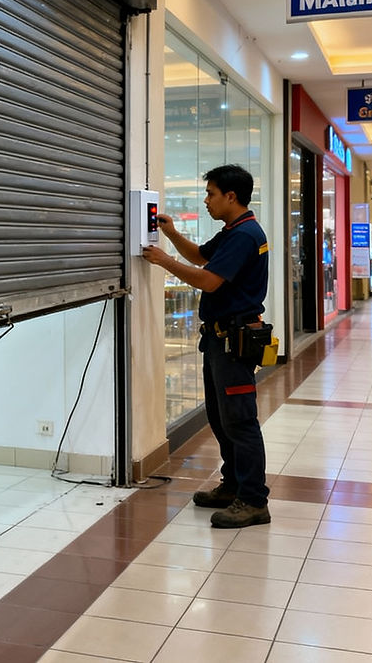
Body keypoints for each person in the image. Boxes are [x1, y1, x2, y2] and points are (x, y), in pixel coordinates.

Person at [142, 164, 270, 528]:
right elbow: (201, 256)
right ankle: (233, 486)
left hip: (233, 341)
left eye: (211, 194)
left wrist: (165, 261)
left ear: (231, 196)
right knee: (221, 417)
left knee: (239, 421)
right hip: (218, 339)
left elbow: (209, 281)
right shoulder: (233, 231)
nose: (206, 200)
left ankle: (253, 500)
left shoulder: (245, 235)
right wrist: (172, 234)